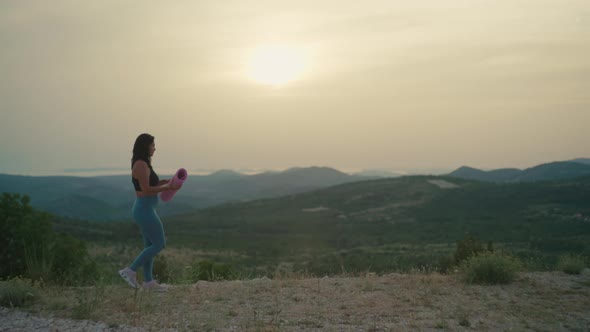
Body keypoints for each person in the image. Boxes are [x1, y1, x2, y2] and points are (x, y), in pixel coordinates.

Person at [119, 133, 180, 291]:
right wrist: (167, 188)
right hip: (144, 209)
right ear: (145, 146)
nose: (155, 148)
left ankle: (148, 282)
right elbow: (146, 190)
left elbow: (150, 184)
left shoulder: (145, 163)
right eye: (152, 145)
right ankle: (130, 270)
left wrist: (166, 182)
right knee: (159, 244)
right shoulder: (140, 164)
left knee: (150, 246)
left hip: (146, 208)